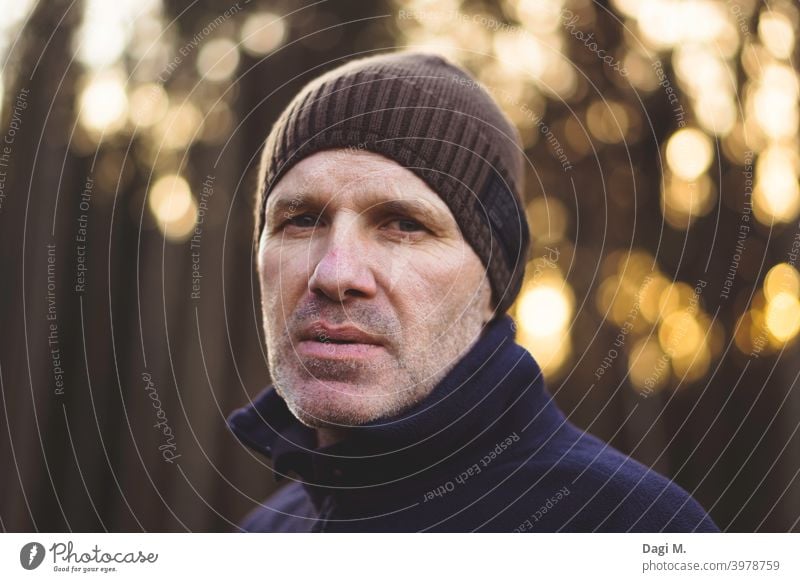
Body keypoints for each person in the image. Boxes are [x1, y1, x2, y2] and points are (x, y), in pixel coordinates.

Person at [227, 50, 719, 532]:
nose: (335, 274)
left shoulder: (627, 528)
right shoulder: (262, 535)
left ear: (491, 283)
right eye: (302, 220)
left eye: (403, 224)